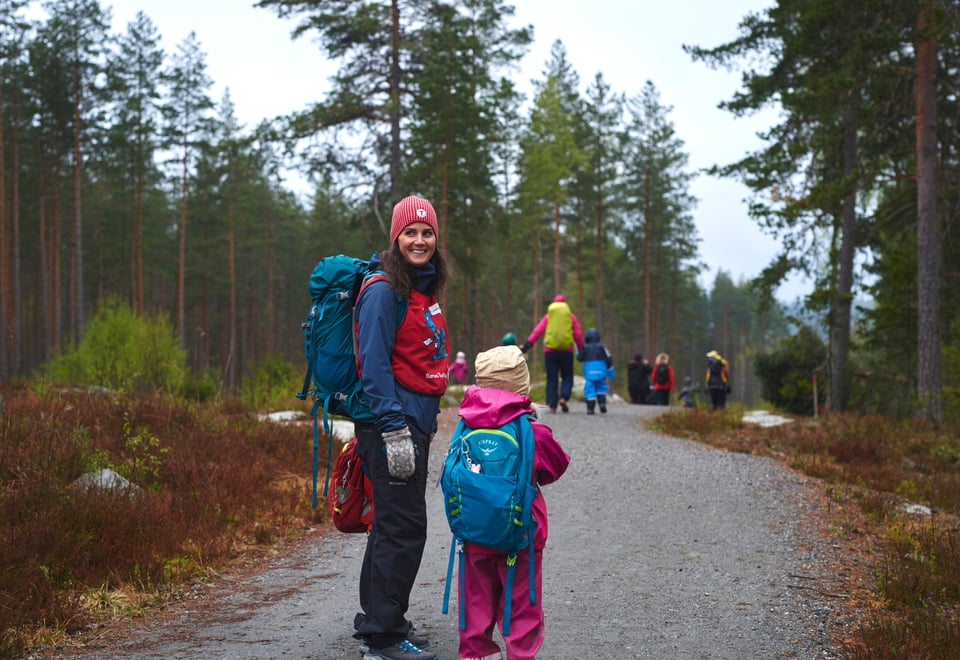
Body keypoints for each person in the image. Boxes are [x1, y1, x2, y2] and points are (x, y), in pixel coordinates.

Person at [353, 194, 449, 660]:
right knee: (404, 528)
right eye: (410, 232)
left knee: (391, 526)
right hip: (393, 426)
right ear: (395, 237)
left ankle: (381, 621)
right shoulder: (382, 290)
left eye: (427, 232)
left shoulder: (420, 288)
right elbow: (372, 363)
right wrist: (393, 430)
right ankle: (384, 639)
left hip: (413, 424)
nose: (419, 239)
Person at [455, 345, 570, 660]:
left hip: (474, 532)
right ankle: (519, 655)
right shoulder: (531, 429)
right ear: (522, 385)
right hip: (521, 535)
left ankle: (472, 654)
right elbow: (555, 466)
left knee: (475, 603)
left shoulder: (465, 423)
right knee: (521, 605)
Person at [520, 294, 584, 413]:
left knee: (552, 378)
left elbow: (538, 330)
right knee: (567, 376)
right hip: (566, 351)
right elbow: (578, 334)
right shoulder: (570, 316)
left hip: (550, 351)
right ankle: (564, 397)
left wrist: (527, 344)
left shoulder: (549, 316)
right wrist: (581, 349)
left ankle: (552, 405)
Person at [577, 328, 615, 414]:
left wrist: (578, 352)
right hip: (601, 372)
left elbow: (579, 358)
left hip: (589, 373)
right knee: (601, 387)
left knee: (589, 389)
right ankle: (602, 403)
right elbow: (609, 358)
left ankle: (590, 408)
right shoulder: (602, 347)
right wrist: (611, 372)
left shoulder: (585, 347)